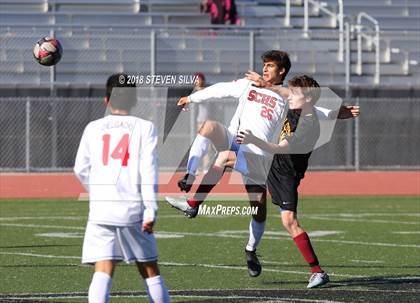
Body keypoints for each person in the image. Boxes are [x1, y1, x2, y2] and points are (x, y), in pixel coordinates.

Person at [74, 74, 170, 303]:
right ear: (135, 100)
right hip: (132, 210)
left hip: (101, 211)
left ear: (106, 100)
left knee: (103, 268)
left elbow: (80, 168)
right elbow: (148, 170)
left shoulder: (93, 128)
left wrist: (98, 191)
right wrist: (150, 210)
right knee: (149, 269)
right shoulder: (145, 128)